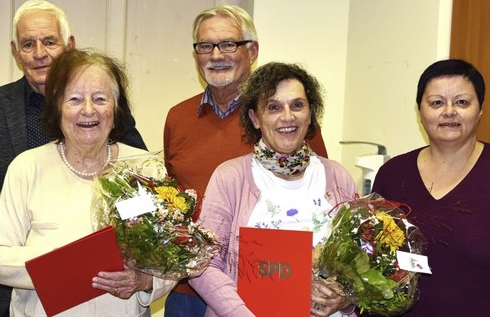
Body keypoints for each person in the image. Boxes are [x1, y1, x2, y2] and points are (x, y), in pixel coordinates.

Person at [0, 1, 147, 316]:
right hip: (15, 295)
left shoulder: (135, 157)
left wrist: (146, 278)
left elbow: (150, 208)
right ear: (15, 50)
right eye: (28, 44)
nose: (39, 53)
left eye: (49, 41)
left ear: (69, 45)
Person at [0, 48, 175, 317]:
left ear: (116, 109)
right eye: (74, 99)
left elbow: (173, 255)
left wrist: (145, 281)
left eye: (100, 99)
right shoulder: (27, 167)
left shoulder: (146, 168)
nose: (87, 110)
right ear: (57, 106)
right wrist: (60, 261)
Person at [162, 5, 328, 315]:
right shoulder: (178, 117)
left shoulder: (284, 123)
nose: (216, 55)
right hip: (186, 289)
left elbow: (319, 204)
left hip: (266, 289)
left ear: (251, 51)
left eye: (228, 44)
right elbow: (171, 199)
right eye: (205, 46)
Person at [187, 62, 357, 317]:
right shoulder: (230, 177)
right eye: (274, 107)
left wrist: (347, 299)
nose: (287, 117)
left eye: (298, 105)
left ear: (310, 115)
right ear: (255, 118)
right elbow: (202, 264)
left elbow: (359, 261)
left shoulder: (338, 176)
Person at [371, 59, 489, 316]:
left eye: (462, 102)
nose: (449, 111)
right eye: (437, 102)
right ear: (420, 111)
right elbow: (372, 262)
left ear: (480, 110)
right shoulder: (392, 174)